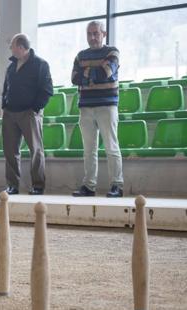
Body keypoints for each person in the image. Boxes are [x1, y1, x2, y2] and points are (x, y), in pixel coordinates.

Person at [71, 21, 124, 198]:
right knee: (89, 149)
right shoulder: (80, 55)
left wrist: (86, 73)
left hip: (107, 105)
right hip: (86, 107)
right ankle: (89, 186)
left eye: (96, 33)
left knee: (111, 146)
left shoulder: (112, 52)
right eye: (89, 34)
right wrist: (93, 73)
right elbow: (74, 78)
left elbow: (106, 72)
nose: (92, 37)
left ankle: (117, 185)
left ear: (104, 34)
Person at [1, 34, 53, 195]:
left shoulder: (40, 64)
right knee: (10, 151)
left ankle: (38, 185)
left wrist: (35, 109)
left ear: (22, 47)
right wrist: (4, 105)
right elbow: (5, 88)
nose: (10, 48)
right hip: (10, 113)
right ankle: (12, 185)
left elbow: (47, 89)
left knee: (36, 150)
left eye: (12, 46)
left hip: (29, 113)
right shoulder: (11, 66)